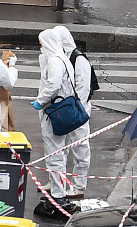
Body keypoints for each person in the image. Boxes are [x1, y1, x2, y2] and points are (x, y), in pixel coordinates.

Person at [32, 29, 78, 214]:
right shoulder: (63, 59)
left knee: (54, 155)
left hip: (54, 114)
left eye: (41, 43)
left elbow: (53, 85)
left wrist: (40, 100)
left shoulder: (54, 61)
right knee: (58, 154)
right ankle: (58, 193)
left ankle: (58, 197)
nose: (41, 46)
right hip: (62, 112)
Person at [53, 26, 92, 199]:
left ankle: (79, 186)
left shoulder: (79, 59)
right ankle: (58, 182)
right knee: (61, 149)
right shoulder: (63, 58)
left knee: (80, 149)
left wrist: (76, 112)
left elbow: (83, 88)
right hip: (67, 111)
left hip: (77, 112)